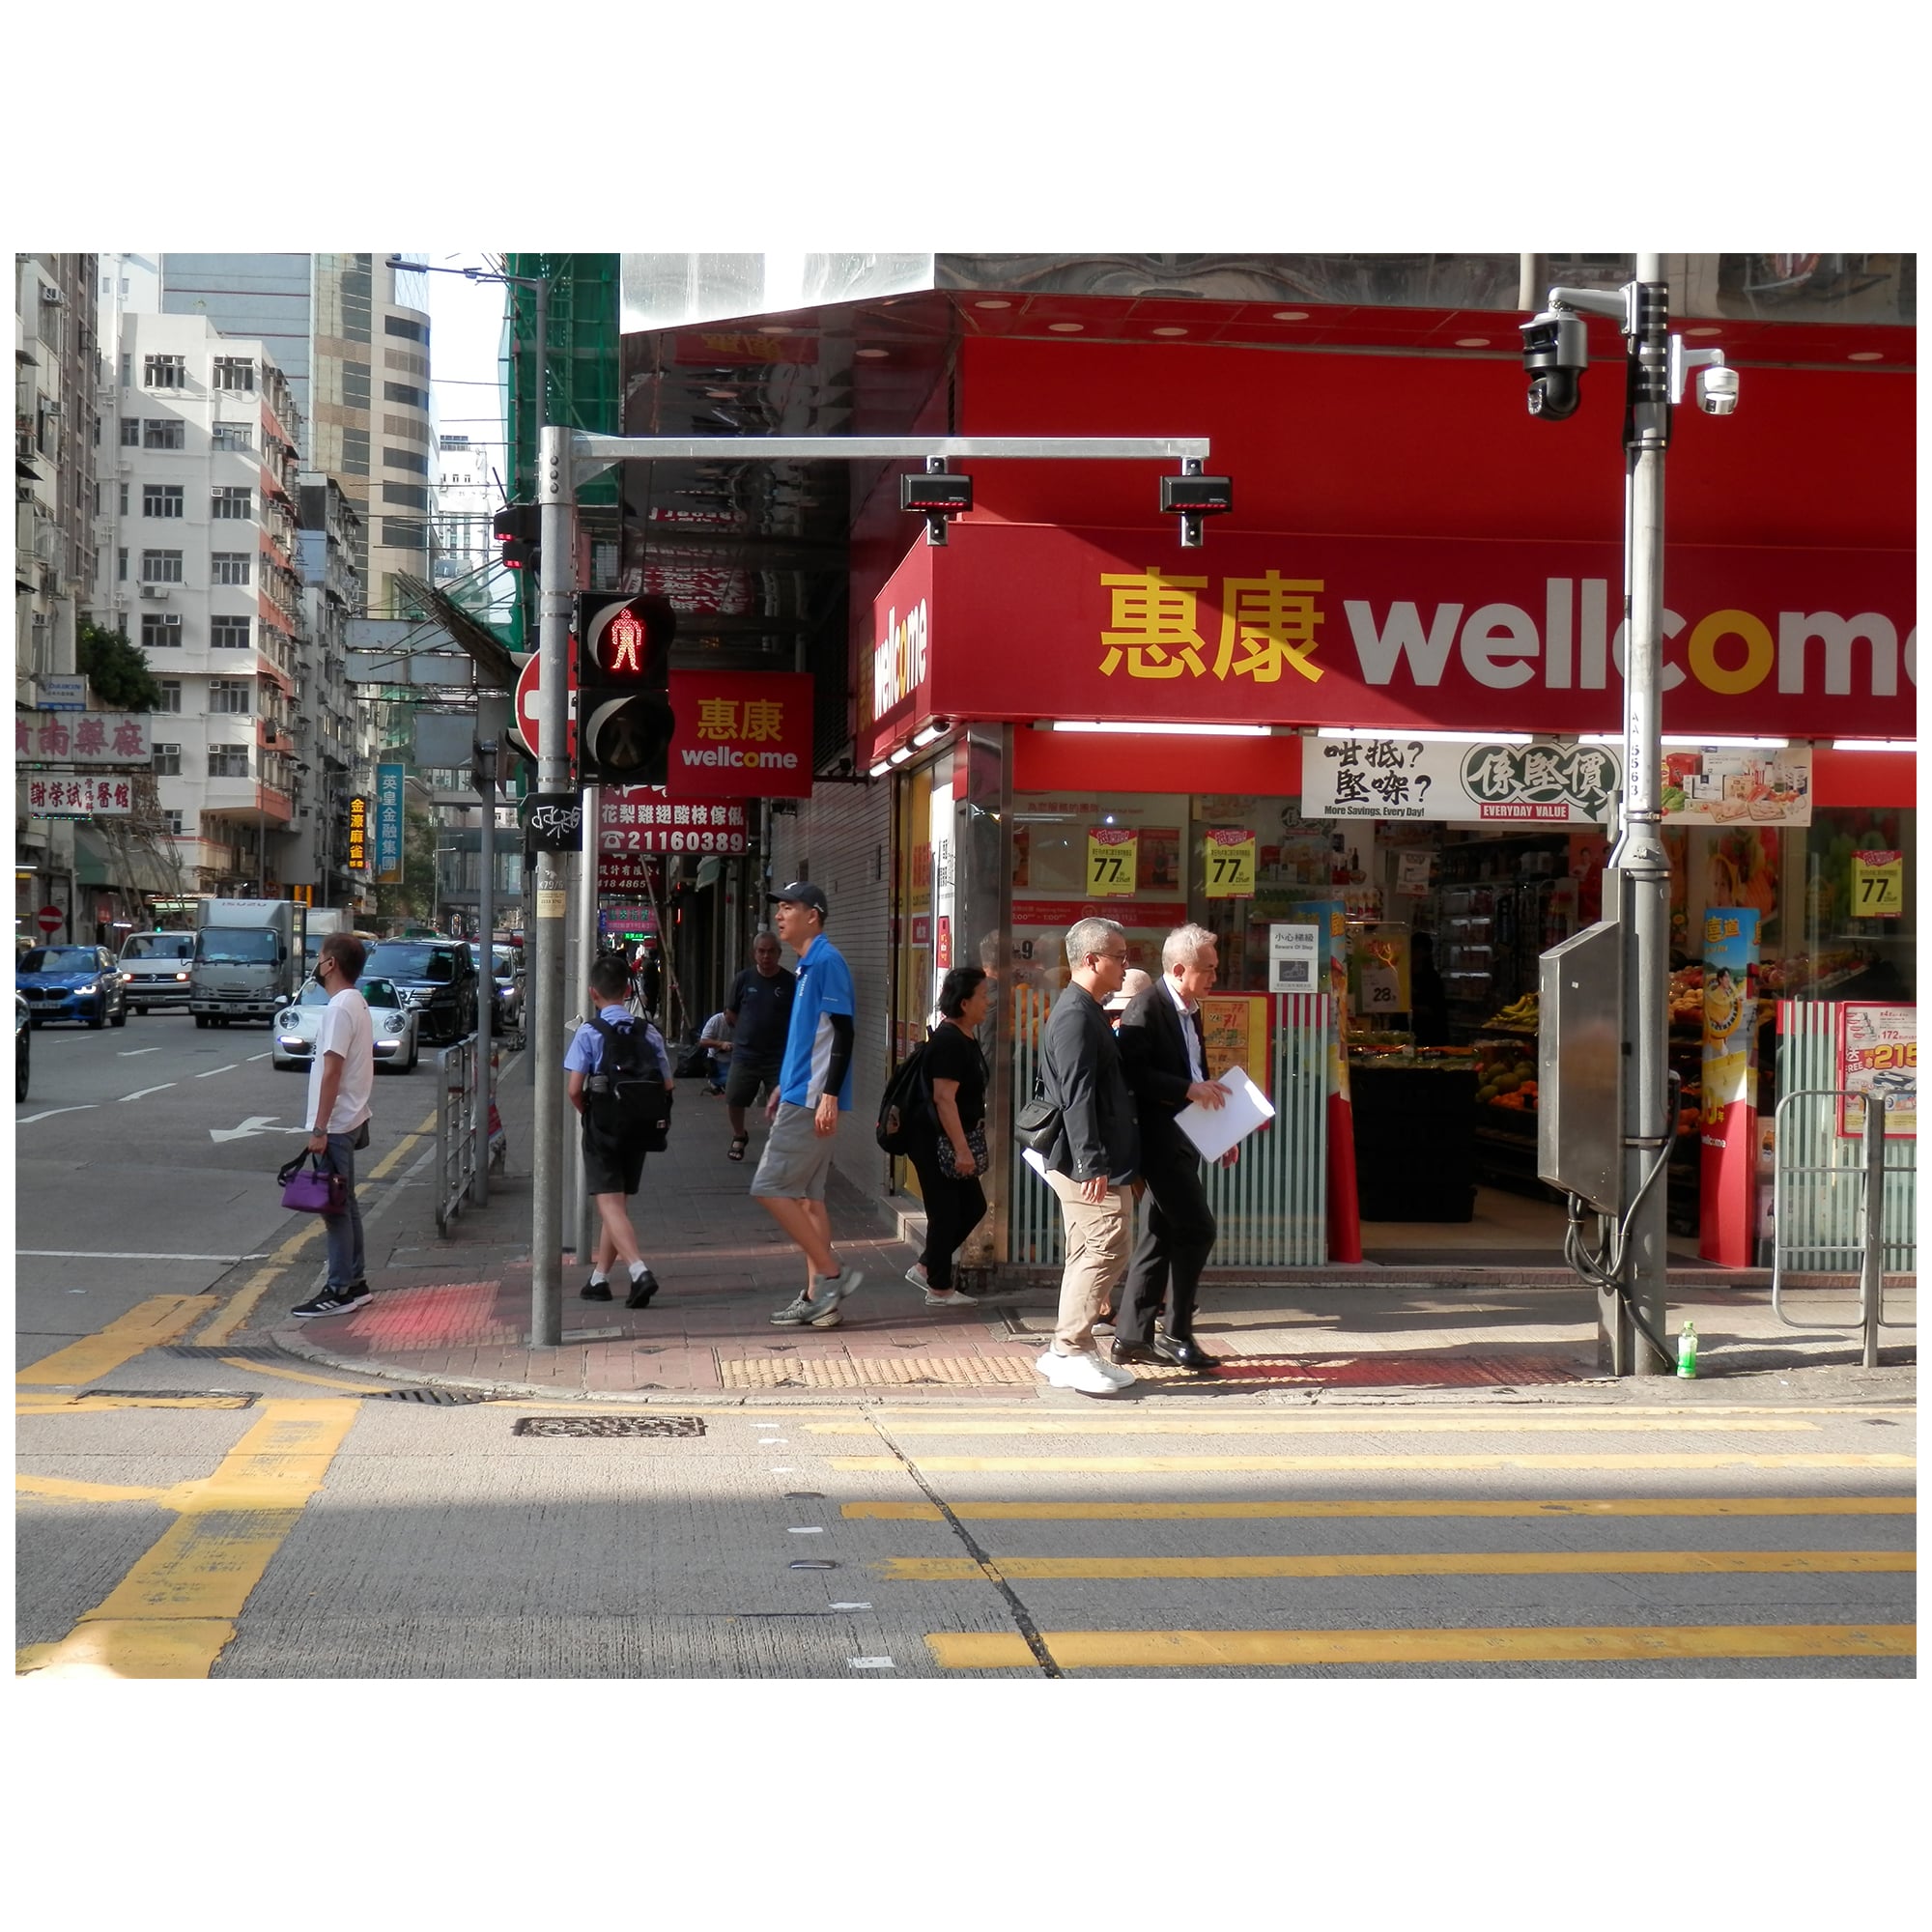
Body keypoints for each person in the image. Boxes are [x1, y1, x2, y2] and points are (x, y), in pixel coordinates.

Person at [1114, 923, 1232, 1373]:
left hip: (1186, 1135)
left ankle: (1131, 1337)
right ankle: (1177, 1332)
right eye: (1208, 969)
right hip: (1158, 1143)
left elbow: (1196, 1072)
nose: (1215, 977)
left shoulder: (1191, 1009)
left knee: (1158, 1235)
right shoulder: (1146, 1007)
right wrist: (1187, 1090)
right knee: (1198, 1229)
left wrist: (1220, 1131)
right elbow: (1134, 1075)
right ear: (1180, 969)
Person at [1033, 916, 1141, 1396]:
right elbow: (1078, 1096)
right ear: (1092, 960)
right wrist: (1090, 1162)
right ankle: (1069, 1349)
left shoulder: (1086, 1008)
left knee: (1087, 1250)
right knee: (1107, 1245)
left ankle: (1070, 1350)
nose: (1125, 965)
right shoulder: (1076, 1015)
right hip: (1086, 1161)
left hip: (1088, 1157)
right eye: (1119, 956)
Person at [752, 882, 865, 1327]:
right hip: (802, 1093)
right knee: (809, 1200)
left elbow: (844, 1032)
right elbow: (811, 1038)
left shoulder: (826, 962)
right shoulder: (806, 965)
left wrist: (828, 1095)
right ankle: (820, 1300)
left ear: (812, 915)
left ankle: (832, 1275)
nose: (779, 916)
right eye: (778, 908)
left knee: (771, 1187)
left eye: (788, 907)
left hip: (812, 1100)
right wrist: (784, 1083)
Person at [564, 953, 671, 1309]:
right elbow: (668, 1084)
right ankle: (600, 1279)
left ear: (592, 993)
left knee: (608, 1204)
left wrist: (589, 1115)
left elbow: (574, 1090)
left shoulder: (589, 1033)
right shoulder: (649, 1032)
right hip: (641, 1127)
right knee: (618, 1204)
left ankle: (639, 1271)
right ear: (628, 990)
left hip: (603, 1126)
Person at [290, 933, 377, 1320]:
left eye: (320, 957)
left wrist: (319, 1129)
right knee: (347, 1203)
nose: (317, 963)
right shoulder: (356, 1002)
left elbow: (332, 1072)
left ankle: (339, 1289)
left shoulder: (340, 1008)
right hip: (351, 1117)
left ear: (331, 964)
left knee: (335, 1209)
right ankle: (355, 1282)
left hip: (337, 1124)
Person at [904, 965, 993, 1308]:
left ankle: (927, 1267)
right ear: (964, 1002)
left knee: (971, 1206)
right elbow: (944, 1099)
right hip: (934, 1140)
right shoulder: (949, 1041)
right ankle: (939, 1287)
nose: (987, 1002)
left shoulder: (966, 1037)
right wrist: (961, 1149)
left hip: (951, 1138)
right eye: (982, 996)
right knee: (946, 1212)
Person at [724, 930, 797, 1161]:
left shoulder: (789, 982)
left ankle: (778, 1143)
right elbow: (730, 1012)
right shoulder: (744, 979)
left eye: (771, 951)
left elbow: (798, 1017)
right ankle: (739, 1135)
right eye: (761, 951)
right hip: (746, 1054)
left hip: (778, 1055)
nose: (766, 956)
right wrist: (746, 1032)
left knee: (784, 1103)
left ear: (779, 954)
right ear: (754, 953)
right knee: (734, 1097)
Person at [696, 1008, 733, 1094]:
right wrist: (721, 1044)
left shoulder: (741, 1021)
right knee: (731, 1082)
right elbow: (703, 1041)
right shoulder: (716, 1020)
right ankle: (715, 1081)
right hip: (718, 1059)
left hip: (735, 1059)